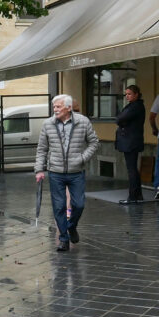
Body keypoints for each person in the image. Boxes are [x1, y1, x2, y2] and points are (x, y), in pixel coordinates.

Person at [35, 94, 99, 252]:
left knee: (79, 204)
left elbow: (94, 142)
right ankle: (63, 239)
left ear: (69, 108)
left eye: (58, 106)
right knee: (59, 206)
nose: (55, 109)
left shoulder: (82, 121)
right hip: (55, 172)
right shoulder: (47, 124)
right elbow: (42, 149)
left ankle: (71, 226)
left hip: (76, 172)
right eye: (54, 107)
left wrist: (82, 158)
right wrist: (39, 169)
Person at [115, 85, 146, 204]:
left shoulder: (136, 106)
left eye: (129, 94)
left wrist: (120, 120)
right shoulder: (133, 106)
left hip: (131, 141)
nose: (127, 96)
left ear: (136, 94)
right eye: (126, 94)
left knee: (131, 169)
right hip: (131, 141)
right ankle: (137, 195)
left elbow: (120, 119)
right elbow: (120, 118)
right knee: (133, 169)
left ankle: (133, 196)